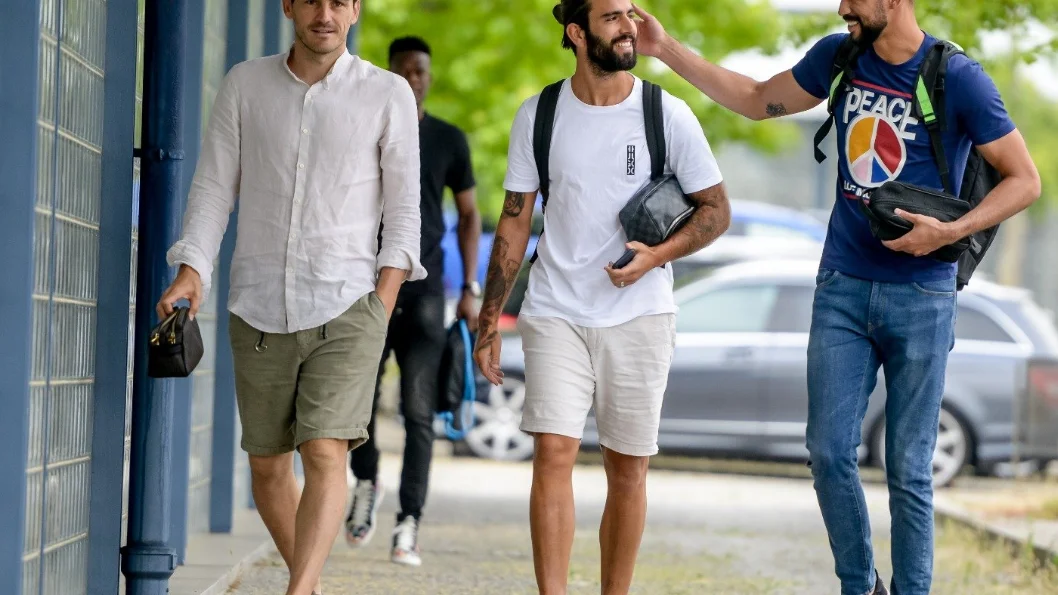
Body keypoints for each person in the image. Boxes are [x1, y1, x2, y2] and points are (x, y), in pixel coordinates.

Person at [631, 1, 1042, 594]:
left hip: (923, 295)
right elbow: (753, 98)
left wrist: (950, 233)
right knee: (827, 453)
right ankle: (858, 585)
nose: (844, 7)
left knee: (908, 467)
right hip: (842, 289)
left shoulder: (958, 77)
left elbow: (1024, 178)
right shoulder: (839, 57)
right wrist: (665, 49)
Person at [156, 1, 425, 593]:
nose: (324, 13)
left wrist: (383, 298)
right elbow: (212, 186)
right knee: (269, 465)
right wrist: (192, 268)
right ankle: (313, 582)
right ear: (288, 6)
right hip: (256, 304)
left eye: (338, 0)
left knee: (326, 451)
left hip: (349, 303)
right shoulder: (244, 84)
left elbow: (405, 211)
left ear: (354, 9)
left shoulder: (387, 93)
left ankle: (299, 588)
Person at [473, 1, 730, 593]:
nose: (628, 27)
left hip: (640, 314)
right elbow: (515, 223)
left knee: (627, 467)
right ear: (576, 32)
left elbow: (716, 211)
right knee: (554, 454)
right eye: (612, 16)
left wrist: (656, 257)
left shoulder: (667, 115)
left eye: (630, 13)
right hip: (556, 308)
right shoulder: (538, 115)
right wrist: (489, 322)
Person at [344, 35, 481, 567]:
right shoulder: (365, 131)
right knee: (356, 403)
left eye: (420, 69)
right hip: (366, 287)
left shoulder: (449, 139)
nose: (413, 77)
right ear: (391, 74)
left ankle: (409, 522)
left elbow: (470, 215)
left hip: (425, 291)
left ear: (428, 75)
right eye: (403, 69)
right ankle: (366, 482)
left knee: (418, 410)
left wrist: (470, 289)